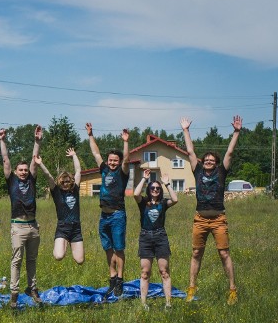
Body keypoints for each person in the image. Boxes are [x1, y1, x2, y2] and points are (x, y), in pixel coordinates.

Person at [181, 115, 241, 305]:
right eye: (205, 159)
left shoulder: (221, 172)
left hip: (218, 219)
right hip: (200, 219)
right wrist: (186, 131)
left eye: (211, 160)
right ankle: (191, 288)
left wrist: (236, 132)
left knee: (224, 254)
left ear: (215, 163)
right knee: (196, 253)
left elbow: (230, 153)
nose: (208, 161)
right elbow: (190, 152)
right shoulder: (197, 171)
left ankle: (232, 290)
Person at [0, 125, 43, 309]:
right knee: (16, 260)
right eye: (21, 170)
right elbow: (6, 160)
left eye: (26, 170)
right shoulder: (12, 181)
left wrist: (37, 142)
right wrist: (2, 140)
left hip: (33, 226)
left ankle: (32, 289)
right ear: (16, 172)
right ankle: (14, 294)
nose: (24, 172)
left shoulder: (31, 180)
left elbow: (34, 162)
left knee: (32, 260)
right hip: (18, 226)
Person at [86, 123, 130, 300]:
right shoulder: (104, 169)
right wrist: (90, 135)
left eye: (115, 160)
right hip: (103, 216)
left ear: (118, 162)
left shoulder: (122, 172)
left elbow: (127, 160)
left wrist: (126, 142)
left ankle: (120, 280)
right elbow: (96, 153)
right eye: (110, 160)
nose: (112, 162)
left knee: (119, 249)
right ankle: (112, 279)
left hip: (117, 215)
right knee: (108, 250)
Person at [133, 169, 178, 310]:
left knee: (164, 272)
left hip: (160, 237)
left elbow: (175, 199)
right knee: (145, 273)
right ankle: (144, 303)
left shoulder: (163, 203)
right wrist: (144, 179)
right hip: (145, 237)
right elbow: (135, 194)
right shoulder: (143, 202)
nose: (155, 190)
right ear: (149, 189)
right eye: (153, 188)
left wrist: (167, 184)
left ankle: (168, 303)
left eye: (158, 188)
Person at [35, 148, 85, 265]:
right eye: (63, 182)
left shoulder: (75, 190)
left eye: (68, 181)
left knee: (80, 260)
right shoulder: (57, 192)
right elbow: (48, 176)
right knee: (58, 256)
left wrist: (74, 155)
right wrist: (40, 164)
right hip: (62, 228)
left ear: (71, 182)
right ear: (59, 182)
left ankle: (69, 242)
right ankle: (64, 242)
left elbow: (78, 171)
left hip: (76, 228)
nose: (66, 183)